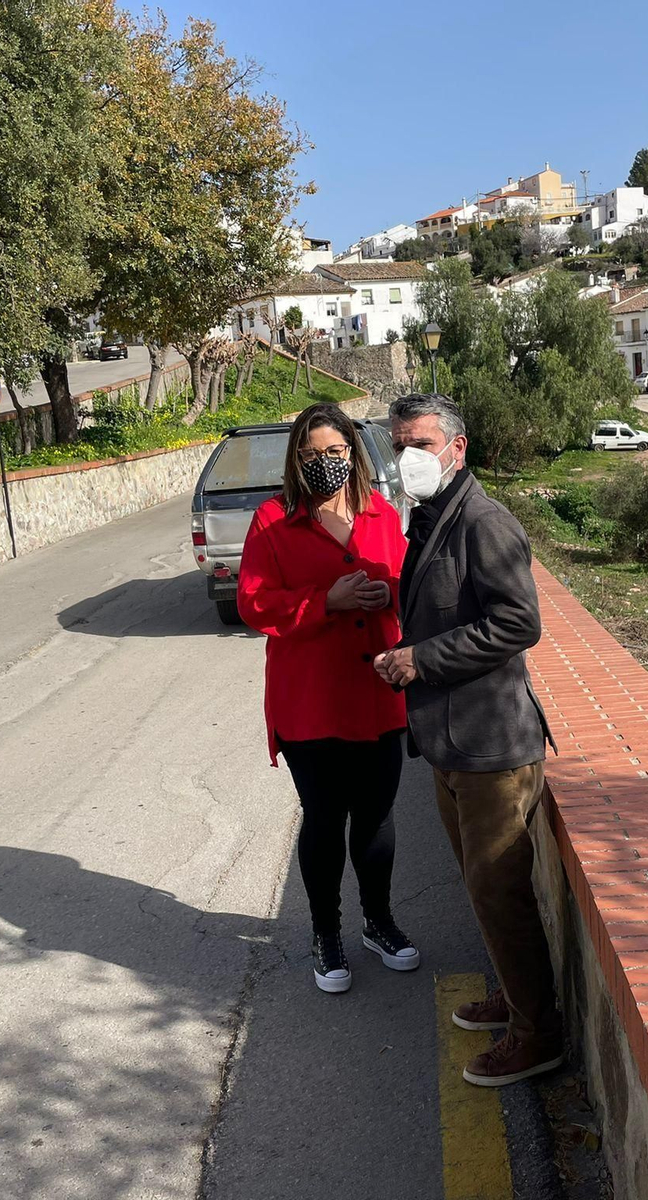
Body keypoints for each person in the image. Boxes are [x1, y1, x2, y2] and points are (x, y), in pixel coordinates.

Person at [374, 393, 562, 1087]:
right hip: (452, 743)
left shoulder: (486, 522)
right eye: (398, 443)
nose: (406, 457)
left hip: (492, 747)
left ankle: (537, 1036)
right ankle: (518, 1002)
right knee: (484, 891)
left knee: (499, 892)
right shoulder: (431, 518)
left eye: (419, 443)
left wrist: (421, 659)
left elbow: (519, 624)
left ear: (457, 448)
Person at [238, 403, 419, 994]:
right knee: (324, 818)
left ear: (353, 454)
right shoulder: (272, 521)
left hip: (378, 694)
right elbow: (254, 604)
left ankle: (379, 922)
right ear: (296, 459)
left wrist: (384, 595)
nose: (324, 463)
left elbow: (408, 589)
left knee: (375, 817)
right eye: (311, 455)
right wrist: (326, 602)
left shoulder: (381, 515)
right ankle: (326, 933)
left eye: (335, 453)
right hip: (311, 702)